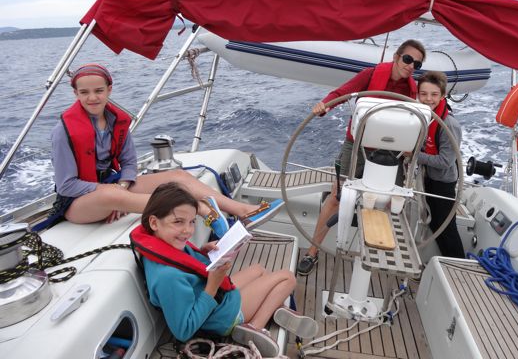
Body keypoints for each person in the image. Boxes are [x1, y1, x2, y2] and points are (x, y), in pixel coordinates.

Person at [49, 63, 282, 230]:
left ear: (109, 90)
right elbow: (67, 185)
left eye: (99, 91)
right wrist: (116, 195)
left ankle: (243, 211)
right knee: (111, 194)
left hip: (113, 186)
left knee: (178, 177)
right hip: (76, 203)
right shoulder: (63, 131)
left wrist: (122, 187)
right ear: (75, 94)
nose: (92, 98)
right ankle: (202, 210)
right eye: (84, 92)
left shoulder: (115, 121)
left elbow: (129, 163)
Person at [131, 182, 318, 357]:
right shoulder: (168, 277)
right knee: (287, 278)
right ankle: (254, 327)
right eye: (178, 222)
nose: (187, 230)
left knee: (259, 270)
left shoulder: (161, 242)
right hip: (223, 317)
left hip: (217, 300)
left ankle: (274, 308)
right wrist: (212, 286)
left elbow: (185, 268)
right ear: (154, 222)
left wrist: (203, 253)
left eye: (192, 221)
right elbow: (183, 331)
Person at [296, 39, 426, 275]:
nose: (411, 66)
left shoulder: (411, 90)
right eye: (408, 59)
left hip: (389, 151)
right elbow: (342, 92)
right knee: (336, 198)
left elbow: (416, 119)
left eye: (416, 64)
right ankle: (312, 252)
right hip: (357, 145)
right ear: (396, 57)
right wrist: (325, 105)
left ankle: (379, 256)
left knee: (388, 202)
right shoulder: (370, 74)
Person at [415, 71, 465, 258]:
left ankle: (458, 264)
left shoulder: (449, 124)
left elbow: (445, 161)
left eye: (434, 94)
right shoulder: (426, 116)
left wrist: (414, 156)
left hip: (443, 183)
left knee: (446, 228)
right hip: (429, 178)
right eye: (424, 94)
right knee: (435, 223)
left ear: (443, 95)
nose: (428, 99)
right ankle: (444, 260)